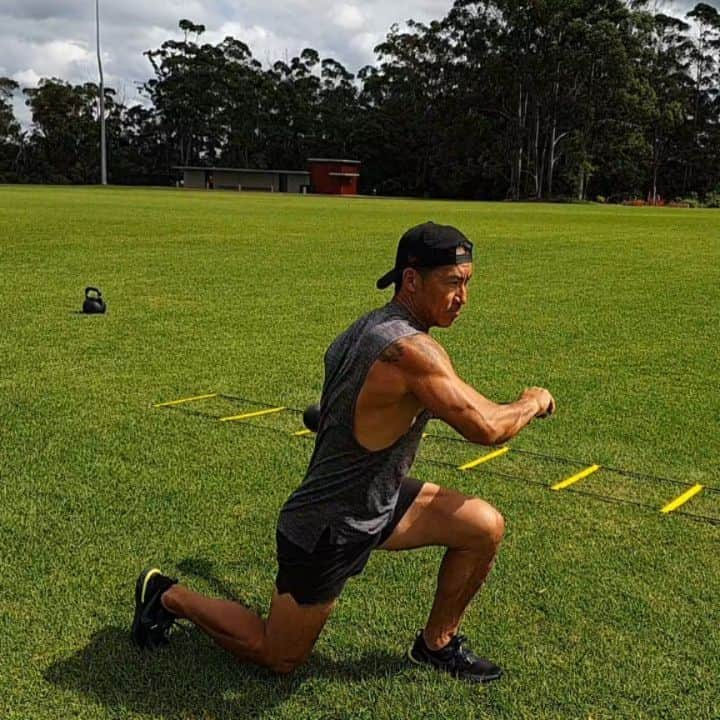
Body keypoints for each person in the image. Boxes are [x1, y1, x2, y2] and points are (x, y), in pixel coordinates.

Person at [132, 221, 555, 683]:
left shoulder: (365, 328)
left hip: (379, 498)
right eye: (452, 283)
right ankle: (168, 596)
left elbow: (346, 406)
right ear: (412, 280)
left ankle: (437, 644)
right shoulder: (411, 352)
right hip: (329, 525)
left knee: (482, 527)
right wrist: (532, 401)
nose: (463, 298)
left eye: (468, 283)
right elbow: (487, 427)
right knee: (279, 655)